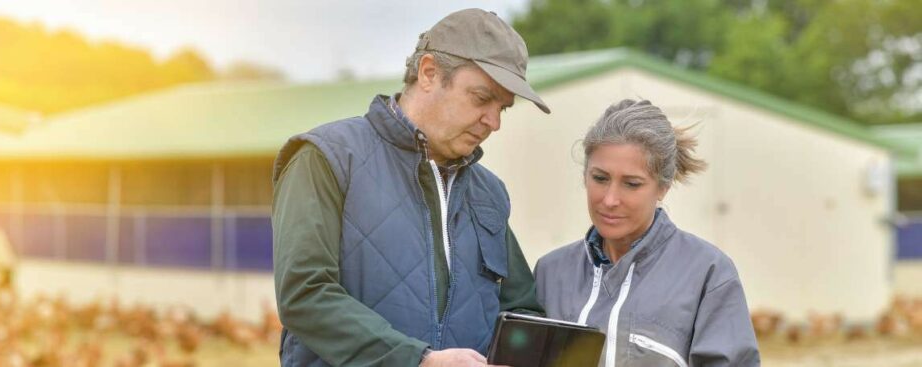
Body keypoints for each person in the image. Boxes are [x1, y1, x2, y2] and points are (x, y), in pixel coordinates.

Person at [272, 9, 549, 367]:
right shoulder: (328, 158)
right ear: (429, 72)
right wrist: (418, 360)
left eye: (503, 109)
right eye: (481, 99)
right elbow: (305, 296)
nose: (493, 122)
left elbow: (519, 310)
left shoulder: (489, 192)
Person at [535, 99, 760, 366]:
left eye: (631, 184)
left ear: (662, 187)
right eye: (600, 178)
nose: (610, 199)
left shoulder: (707, 273)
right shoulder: (551, 272)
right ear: (585, 175)